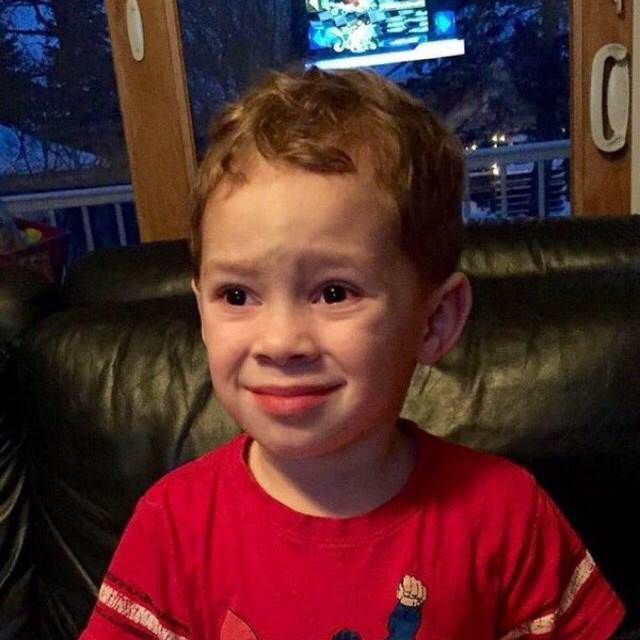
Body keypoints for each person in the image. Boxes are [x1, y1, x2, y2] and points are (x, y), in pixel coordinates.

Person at [79, 67, 625, 640]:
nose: (280, 342)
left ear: (434, 320)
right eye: (237, 295)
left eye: (334, 293)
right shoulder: (172, 527)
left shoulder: (508, 516)